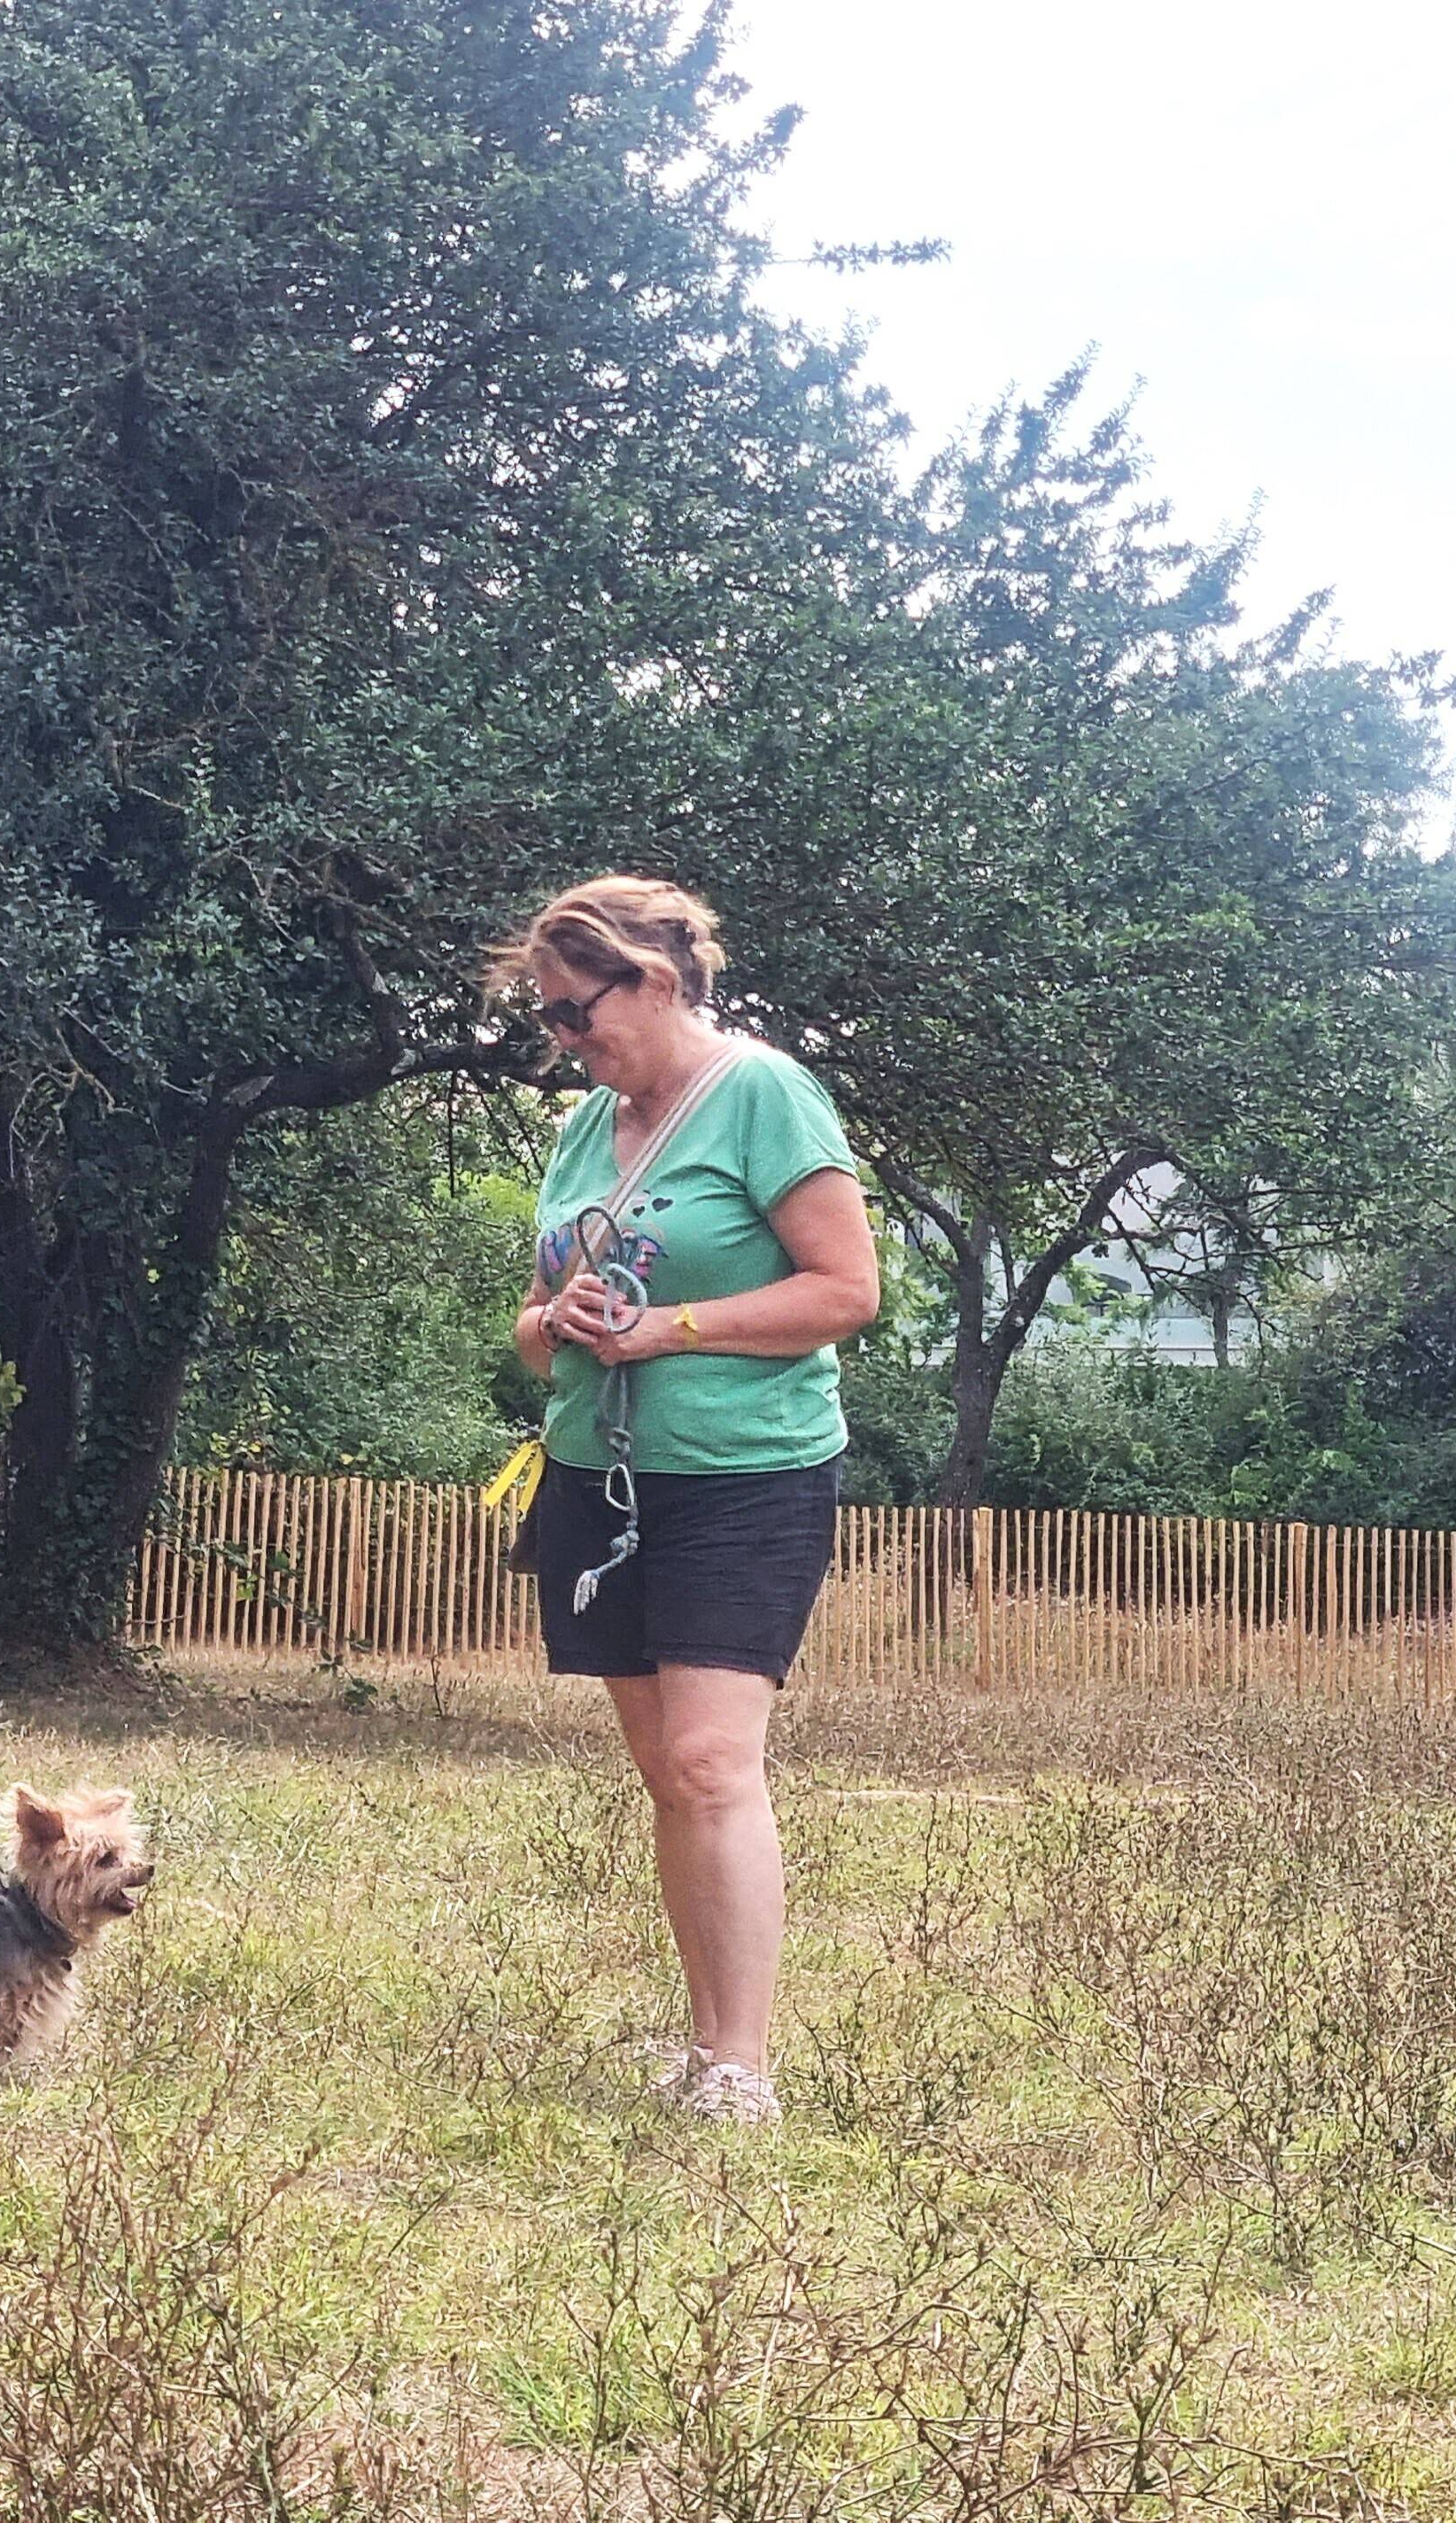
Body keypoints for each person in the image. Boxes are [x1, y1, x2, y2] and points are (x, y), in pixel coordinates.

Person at [495, 876, 879, 2125]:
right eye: (547, 1021)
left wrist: (670, 1327)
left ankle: (741, 2072)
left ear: (653, 978)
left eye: (571, 1012)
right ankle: (709, 2038)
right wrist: (559, 1324)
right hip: (600, 1478)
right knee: (671, 1773)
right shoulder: (583, 1131)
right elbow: (539, 1333)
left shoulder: (762, 1093)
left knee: (716, 1762)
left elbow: (844, 1291)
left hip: (743, 1476)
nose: (563, 1040)